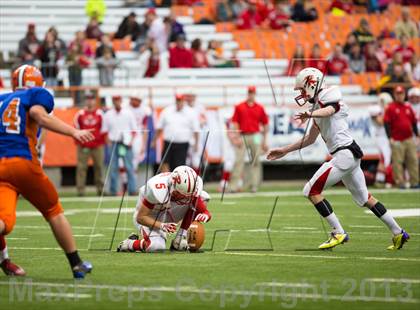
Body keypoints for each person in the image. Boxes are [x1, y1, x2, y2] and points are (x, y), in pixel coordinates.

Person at [267, 67, 410, 250]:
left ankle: (338, 232)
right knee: (365, 198)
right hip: (348, 154)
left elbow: (330, 110)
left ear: (312, 84)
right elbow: (309, 139)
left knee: (310, 190)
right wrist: (284, 150)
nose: (302, 94)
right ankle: (398, 232)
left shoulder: (329, 96)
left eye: (303, 89)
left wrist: (312, 114)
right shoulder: (316, 107)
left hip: (344, 153)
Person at [0, 65, 94, 277]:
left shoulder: (3, 99)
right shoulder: (36, 94)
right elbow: (38, 114)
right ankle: (76, 263)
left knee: (5, 222)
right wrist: (73, 132)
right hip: (23, 162)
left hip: (0, 167)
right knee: (53, 210)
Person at [117, 166, 211, 252]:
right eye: (181, 194)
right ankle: (130, 244)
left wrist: (205, 215)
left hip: (168, 211)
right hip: (150, 216)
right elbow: (140, 218)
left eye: (189, 195)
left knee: (204, 197)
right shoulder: (156, 190)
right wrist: (161, 225)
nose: (186, 198)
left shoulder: (190, 188)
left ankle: (180, 238)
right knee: (156, 246)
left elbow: (204, 211)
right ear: (172, 186)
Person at [230, 86, 269, 193]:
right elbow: (235, 122)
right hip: (243, 135)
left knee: (255, 160)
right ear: (247, 93)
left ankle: (254, 185)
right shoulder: (239, 107)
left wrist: (265, 140)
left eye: (252, 93)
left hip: (256, 135)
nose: (251, 95)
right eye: (249, 93)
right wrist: (237, 137)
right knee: (239, 160)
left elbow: (265, 124)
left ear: (255, 94)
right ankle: (233, 186)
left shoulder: (260, 107)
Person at [152, 94, 199, 172]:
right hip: (168, 142)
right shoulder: (167, 111)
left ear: (183, 101)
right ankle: (166, 182)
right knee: (164, 163)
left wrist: (196, 144)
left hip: (182, 144)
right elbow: (160, 127)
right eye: (177, 101)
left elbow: (196, 130)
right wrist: (154, 140)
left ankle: (176, 183)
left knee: (179, 166)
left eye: (180, 101)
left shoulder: (191, 112)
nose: (179, 103)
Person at [384, 86, 419, 189]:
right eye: (398, 94)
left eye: (401, 94)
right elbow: (386, 123)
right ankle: (400, 182)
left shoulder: (408, 107)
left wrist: (417, 135)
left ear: (404, 95)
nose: (400, 96)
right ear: (395, 95)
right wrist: (390, 137)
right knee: (398, 162)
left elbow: (413, 123)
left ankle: (414, 182)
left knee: (413, 160)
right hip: (397, 139)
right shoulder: (391, 107)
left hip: (409, 138)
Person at [102, 95, 138, 196]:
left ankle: (132, 190)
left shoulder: (128, 113)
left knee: (129, 167)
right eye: (115, 100)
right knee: (113, 168)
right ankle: (113, 190)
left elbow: (134, 129)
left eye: (118, 100)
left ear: (121, 101)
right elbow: (104, 130)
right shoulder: (108, 114)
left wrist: (131, 141)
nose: (117, 102)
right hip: (114, 142)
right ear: (113, 101)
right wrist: (108, 141)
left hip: (126, 143)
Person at [74, 90, 106, 196]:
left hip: (97, 145)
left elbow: (104, 129)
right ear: (85, 100)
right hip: (83, 145)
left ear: (95, 100)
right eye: (88, 98)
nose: (90, 101)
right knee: (81, 167)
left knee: (99, 167)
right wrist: (81, 142)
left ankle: (100, 189)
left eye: (91, 99)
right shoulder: (80, 114)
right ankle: (80, 190)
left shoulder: (100, 113)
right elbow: (76, 129)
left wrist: (100, 141)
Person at [368, 93, 393, 187]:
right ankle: (387, 180)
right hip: (381, 137)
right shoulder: (377, 110)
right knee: (386, 158)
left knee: (384, 158)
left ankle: (380, 178)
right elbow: (381, 122)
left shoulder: (386, 110)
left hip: (384, 136)